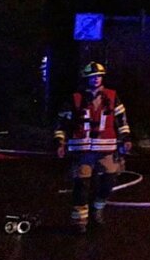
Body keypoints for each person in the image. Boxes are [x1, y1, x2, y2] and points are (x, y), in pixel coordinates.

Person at [54, 61, 132, 233]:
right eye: (92, 77)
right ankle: (79, 220)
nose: (96, 79)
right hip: (82, 151)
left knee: (108, 181)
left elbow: (121, 120)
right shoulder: (75, 99)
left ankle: (98, 209)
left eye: (98, 76)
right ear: (86, 79)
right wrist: (60, 142)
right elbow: (62, 122)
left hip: (106, 149)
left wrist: (125, 138)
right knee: (81, 185)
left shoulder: (112, 97)